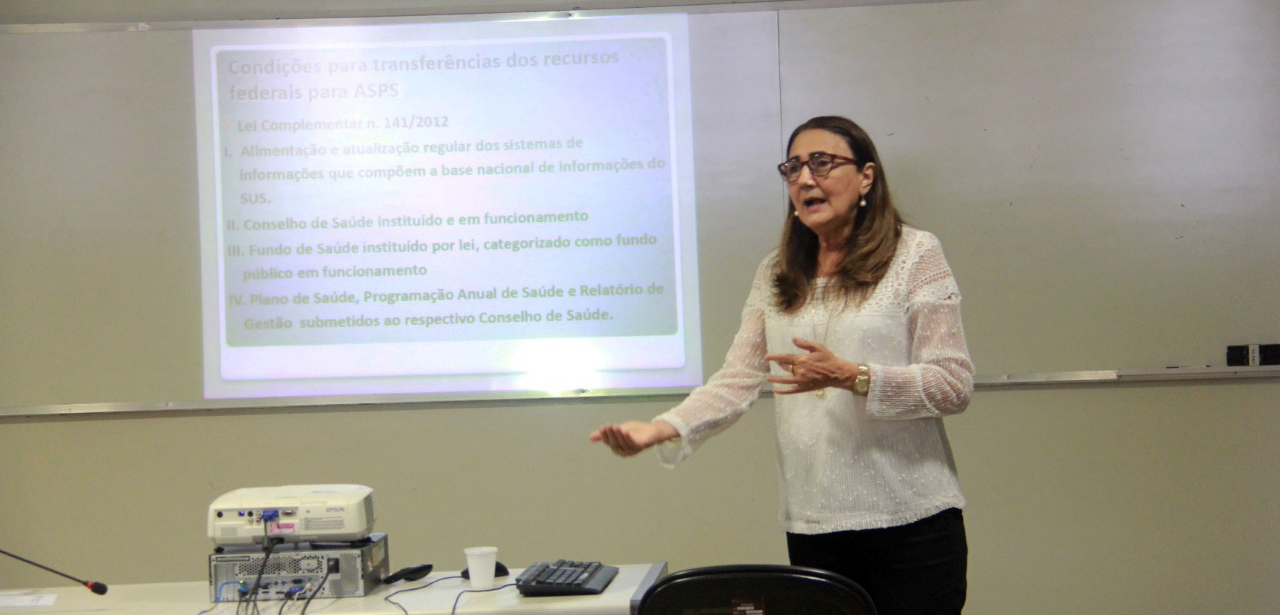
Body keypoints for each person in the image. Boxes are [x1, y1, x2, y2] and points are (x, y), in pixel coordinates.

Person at [589, 116, 974, 614]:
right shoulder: (776, 271)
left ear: (867, 177)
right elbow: (736, 380)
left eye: (822, 163)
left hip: (911, 525)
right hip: (814, 525)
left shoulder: (915, 254)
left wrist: (853, 376)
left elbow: (953, 383)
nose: (804, 179)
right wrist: (660, 428)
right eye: (793, 168)